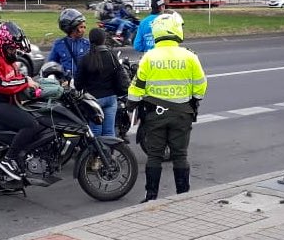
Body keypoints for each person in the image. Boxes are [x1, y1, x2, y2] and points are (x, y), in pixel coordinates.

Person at [128, 12, 207, 202]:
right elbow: (201, 87)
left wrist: (132, 104)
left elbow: (137, 87)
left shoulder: (149, 57)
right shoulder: (190, 56)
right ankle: (183, 196)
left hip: (155, 115)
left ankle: (151, 196)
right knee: (180, 156)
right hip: (182, 115)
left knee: (154, 156)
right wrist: (192, 99)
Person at [0, 22, 41, 179]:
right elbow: (0, 83)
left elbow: (15, 77)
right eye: (12, 48)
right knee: (31, 125)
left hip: (8, 102)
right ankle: (9, 159)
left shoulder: (6, 57)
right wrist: (25, 82)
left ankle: (7, 182)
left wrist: (30, 81)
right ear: (2, 44)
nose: (14, 51)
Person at [75, 28, 130, 136]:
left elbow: (78, 84)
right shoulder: (111, 56)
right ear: (104, 40)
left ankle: (96, 153)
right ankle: (108, 152)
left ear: (90, 40)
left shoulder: (85, 58)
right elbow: (119, 75)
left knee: (95, 132)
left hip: (93, 100)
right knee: (109, 131)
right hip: (111, 98)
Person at [47, 8, 90, 78]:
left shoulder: (88, 44)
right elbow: (51, 65)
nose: (83, 30)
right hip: (65, 84)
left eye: (84, 27)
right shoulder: (59, 44)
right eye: (81, 27)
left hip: (83, 84)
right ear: (72, 28)